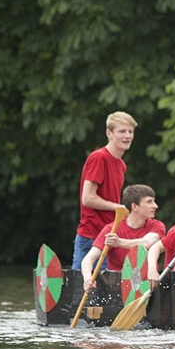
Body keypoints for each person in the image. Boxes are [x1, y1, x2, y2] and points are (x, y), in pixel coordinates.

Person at [72, 111, 137, 270]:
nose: (127, 136)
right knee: (82, 288)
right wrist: (117, 207)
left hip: (109, 234)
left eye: (130, 132)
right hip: (91, 234)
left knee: (106, 290)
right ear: (109, 133)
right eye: (122, 131)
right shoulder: (99, 157)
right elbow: (87, 198)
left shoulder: (121, 164)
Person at [81, 184, 165, 292]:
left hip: (148, 289)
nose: (155, 206)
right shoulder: (112, 228)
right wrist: (88, 278)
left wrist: (120, 242)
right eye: (149, 202)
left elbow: (149, 242)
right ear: (134, 206)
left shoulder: (157, 225)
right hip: (117, 289)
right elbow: (88, 260)